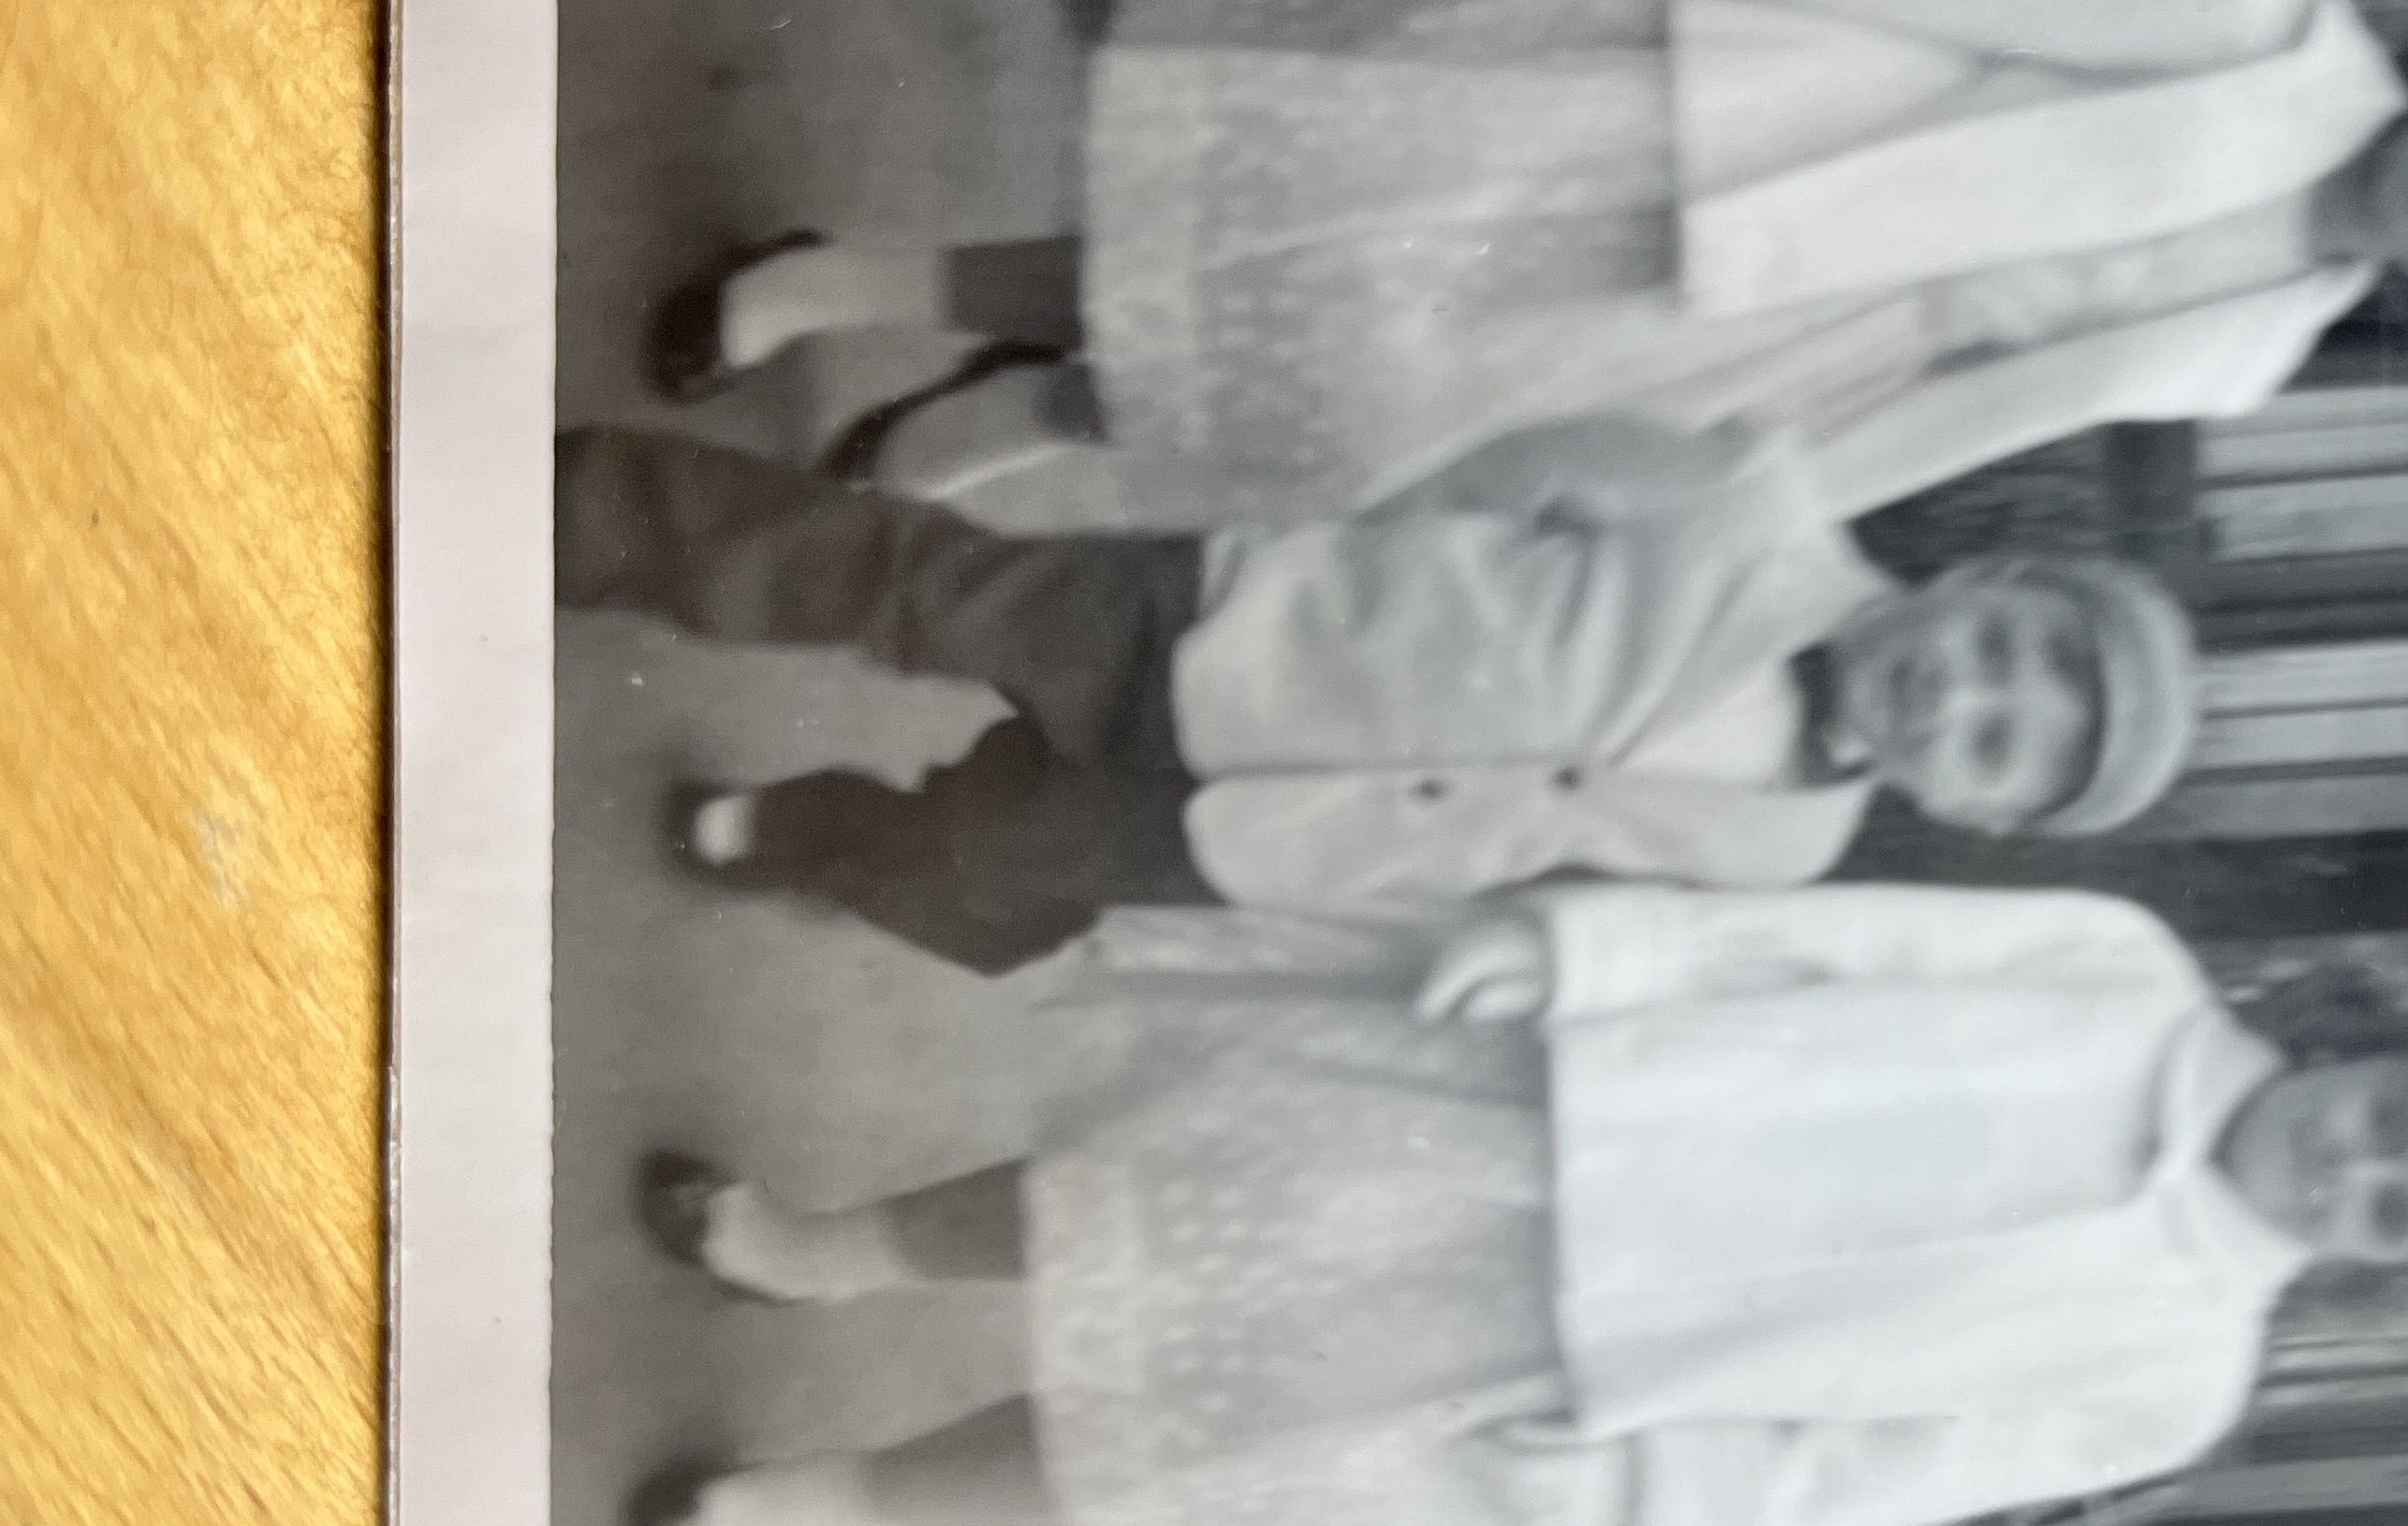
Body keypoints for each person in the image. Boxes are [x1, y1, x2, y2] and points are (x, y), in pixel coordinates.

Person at [625, 881, 2408, 1526]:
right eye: (2394, 1125)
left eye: (2396, 1215)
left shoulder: (2182, 1369)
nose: (2359, 1173)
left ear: (2379, 1268)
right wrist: (1597, 954)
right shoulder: (2124, 972)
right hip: (1565, 1111)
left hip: (1595, 1366)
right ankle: (833, 1250)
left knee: (1199, 1410)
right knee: (1150, 1191)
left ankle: (826, 1500)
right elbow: (1828, 941)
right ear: (2365, 1049)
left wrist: (1661, 1475)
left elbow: (1893, 1467)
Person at [645, 0, 2408, 526]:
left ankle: (1003, 417)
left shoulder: (2264, 343)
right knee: (1266, 255)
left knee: (1332, 384)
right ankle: (854, 283)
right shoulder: (2272, 29)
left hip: (1767, 337)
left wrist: (1755, 480)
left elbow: (1995, 407)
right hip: (1713, 139)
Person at [556, 412, 2202, 976]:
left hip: (1275, 835)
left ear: (1970, 808)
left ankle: (821, 832)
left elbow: (1571, 873)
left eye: (1992, 747)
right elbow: (1512, 469)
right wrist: (1353, 572)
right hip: (1240, 631)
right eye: (1998, 655)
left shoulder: (1790, 846)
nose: (1955, 701)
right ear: (1983, 585)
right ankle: (594, 511)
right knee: (917, 588)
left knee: (992, 874)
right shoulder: (1749, 505)